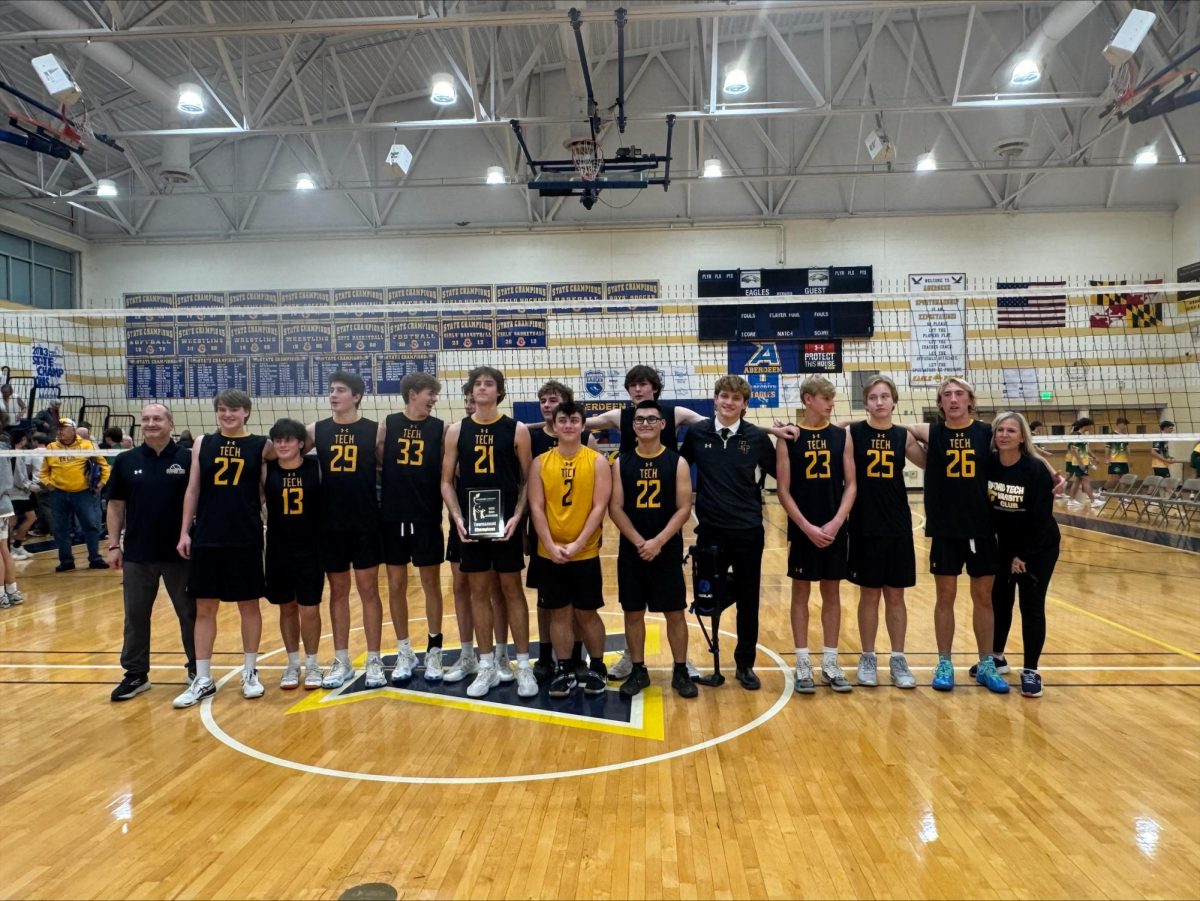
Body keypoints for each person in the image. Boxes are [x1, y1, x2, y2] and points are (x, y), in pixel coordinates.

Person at [905, 377, 1008, 693]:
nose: (952, 399)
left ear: (969, 400)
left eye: (958, 394)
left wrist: (1048, 470)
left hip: (981, 528)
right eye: (946, 395)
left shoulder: (988, 433)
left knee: (983, 598)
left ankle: (987, 664)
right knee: (944, 598)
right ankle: (945, 663)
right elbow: (892, 426)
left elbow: (1024, 447)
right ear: (940, 404)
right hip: (946, 529)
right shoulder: (933, 433)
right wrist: (844, 422)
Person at [441, 366, 534, 699]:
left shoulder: (517, 430)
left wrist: (518, 518)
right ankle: (485, 666)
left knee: (512, 591)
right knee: (478, 591)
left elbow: (527, 481)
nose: (482, 388)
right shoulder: (456, 430)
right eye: (477, 384)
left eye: (488, 383)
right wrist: (456, 517)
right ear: (470, 392)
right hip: (472, 524)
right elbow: (446, 482)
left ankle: (522, 666)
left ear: (499, 392)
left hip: (505, 525)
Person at [679, 375, 777, 690]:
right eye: (724, 396)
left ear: (745, 404)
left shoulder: (757, 438)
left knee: (749, 600)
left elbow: (780, 469)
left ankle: (744, 665)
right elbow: (678, 469)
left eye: (736, 398)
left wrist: (792, 435)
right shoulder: (697, 434)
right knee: (708, 597)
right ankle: (714, 662)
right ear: (716, 399)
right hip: (711, 531)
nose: (729, 402)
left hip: (748, 530)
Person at [173, 390, 270, 708]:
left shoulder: (261, 445)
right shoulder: (202, 443)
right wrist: (185, 531)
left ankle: (250, 672)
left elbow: (265, 491)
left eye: (234, 410)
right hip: (208, 535)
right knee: (204, 608)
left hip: (245, 535)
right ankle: (203, 678)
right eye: (222, 410)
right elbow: (192, 489)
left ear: (247, 413)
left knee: (249, 606)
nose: (227, 414)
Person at [105, 404, 196, 702]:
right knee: (135, 616)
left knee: (190, 614)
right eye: (146, 419)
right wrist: (113, 545)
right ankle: (135, 674)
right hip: (137, 554)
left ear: (171, 423)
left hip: (180, 554)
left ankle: (198, 668)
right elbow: (116, 506)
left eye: (157, 419)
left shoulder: (188, 458)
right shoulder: (126, 461)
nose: (151, 423)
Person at [607, 399, 697, 699]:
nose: (645, 423)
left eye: (651, 419)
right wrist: (638, 541)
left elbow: (684, 507)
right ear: (632, 427)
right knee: (633, 613)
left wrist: (658, 541)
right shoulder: (622, 462)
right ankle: (638, 670)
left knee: (674, 612)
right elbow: (615, 508)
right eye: (640, 419)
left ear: (663, 424)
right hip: (633, 550)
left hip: (666, 549)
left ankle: (681, 670)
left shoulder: (677, 462)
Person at [776, 377, 857, 694]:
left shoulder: (841, 436)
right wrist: (806, 527)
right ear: (808, 399)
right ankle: (802, 662)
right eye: (826, 398)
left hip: (834, 526)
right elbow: (782, 489)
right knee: (801, 593)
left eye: (832, 399)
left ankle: (831, 662)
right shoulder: (789, 437)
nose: (831, 403)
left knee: (832, 593)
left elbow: (851, 484)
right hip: (804, 527)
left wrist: (837, 521)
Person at [528, 400, 612, 698]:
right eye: (563, 420)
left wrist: (578, 544)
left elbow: (599, 506)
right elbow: (536, 507)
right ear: (554, 423)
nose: (568, 425)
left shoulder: (597, 461)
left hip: (585, 552)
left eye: (574, 420)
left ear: (582, 424)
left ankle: (597, 666)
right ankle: (564, 668)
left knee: (586, 613)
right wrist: (550, 545)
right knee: (559, 613)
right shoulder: (540, 462)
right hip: (549, 552)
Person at [308, 371, 386, 689]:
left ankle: (375, 659)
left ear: (356, 396)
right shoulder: (316, 430)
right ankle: (342, 660)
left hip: (366, 521)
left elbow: (388, 466)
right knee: (338, 591)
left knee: (368, 591)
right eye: (331, 390)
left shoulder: (374, 430)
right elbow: (280, 450)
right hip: (330, 523)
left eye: (340, 390)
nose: (333, 395)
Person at [847, 375, 924, 690]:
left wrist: (918, 430)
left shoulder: (903, 437)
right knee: (868, 595)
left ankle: (897, 658)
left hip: (897, 524)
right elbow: (827, 426)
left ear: (894, 402)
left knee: (895, 595)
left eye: (884, 397)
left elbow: (934, 461)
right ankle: (867, 657)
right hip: (865, 523)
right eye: (873, 398)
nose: (879, 402)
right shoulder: (853, 433)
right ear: (866, 403)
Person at [378, 372, 447, 683]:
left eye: (434, 394)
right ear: (412, 394)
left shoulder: (440, 428)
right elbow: (378, 456)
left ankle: (434, 648)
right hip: (392, 517)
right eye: (429, 393)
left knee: (431, 583)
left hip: (427, 516)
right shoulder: (388, 424)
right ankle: (404, 650)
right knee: (395, 585)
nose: (433, 399)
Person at [987, 412, 1060, 698]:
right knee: (999, 602)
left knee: (1031, 606)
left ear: (1022, 437)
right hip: (1004, 546)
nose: (1004, 435)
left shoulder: (1034, 469)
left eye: (1011, 431)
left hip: (1038, 547)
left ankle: (1031, 671)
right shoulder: (990, 464)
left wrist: (1023, 556)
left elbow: (1042, 519)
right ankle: (997, 657)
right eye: (1000, 430)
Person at [527, 380, 590, 682]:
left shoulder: (584, 437)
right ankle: (544, 654)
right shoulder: (532, 437)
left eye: (554, 400)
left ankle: (576, 655)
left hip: (578, 533)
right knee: (545, 599)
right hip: (542, 531)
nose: (548, 405)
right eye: (543, 401)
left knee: (577, 602)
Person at [263, 418, 325, 690]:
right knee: (286, 607)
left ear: (301, 443)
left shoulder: (316, 467)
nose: (282, 444)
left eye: (288, 439)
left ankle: (312, 664)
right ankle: (292, 664)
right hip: (278, 547)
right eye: (278, 440)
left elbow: (314, 429)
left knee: (309, 609)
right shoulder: (267, 470)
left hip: (310, 547)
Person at [38, 417, 110, 572]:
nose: (59, 431)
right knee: (60, 528)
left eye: (63, 428)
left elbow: (105, 466)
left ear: (73, 430)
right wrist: (49, 484)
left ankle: (95, 558)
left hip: (83, 493)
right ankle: (66, 561)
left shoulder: (87, 445)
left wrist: (101, 483)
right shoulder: (51, 447)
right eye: (58, 428)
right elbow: (43, 472)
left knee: (90, 526)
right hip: (59, 494)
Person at [8, 431, 37, 561]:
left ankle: (16, 545)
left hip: (20, 493)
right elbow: (18, 477)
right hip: (14, 493)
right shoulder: (15, 454)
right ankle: (9, 549)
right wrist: (29, 486)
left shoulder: (17, 453)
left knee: (30, 517)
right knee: (11, 521)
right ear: (23, 439)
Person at [1063, 418, 1096, 509]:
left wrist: (1092, 457)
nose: (1091, 428)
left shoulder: (1081, 435)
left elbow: (1084, 449)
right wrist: (1080, 462)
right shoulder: (1075, 435)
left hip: (1082, 461)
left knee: (1078, 481)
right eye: (1091, 426)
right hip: (1079, 462)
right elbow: (1072, 449)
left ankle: (1071, 500)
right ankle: (1093, 501)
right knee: (1085, 480)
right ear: (1087, 425)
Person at [1100, 417, 1130, 496]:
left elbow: (1126, 447)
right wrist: (1106, 459)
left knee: (1124, 480)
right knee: (1115, 480)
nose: (1125, 426)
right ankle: (1103, 489)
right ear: (1119, 424)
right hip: (1114, 461)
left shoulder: (1125, 435)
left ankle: (1122, 498)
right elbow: (1107, 447)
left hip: (1124, 461)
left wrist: (1129, 459)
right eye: (1124, 424)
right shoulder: (1112, 435)